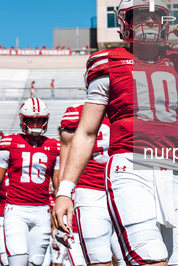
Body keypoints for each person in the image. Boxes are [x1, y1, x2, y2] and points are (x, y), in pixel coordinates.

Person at [53, 0, 178, 265]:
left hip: (174, 173)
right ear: (125, 21)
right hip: (130, 168)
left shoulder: (177, 61)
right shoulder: (107, 61)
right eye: (141, 15)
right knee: (151, 260)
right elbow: (87, 131)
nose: (150, 22)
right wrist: (65, 191)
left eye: (156, 16)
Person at [0, 97, 60, 266]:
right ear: (23, 119)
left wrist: (61, 217)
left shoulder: (54, 146)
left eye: (39, 120)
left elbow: (58, 186)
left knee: (37, 262)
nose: (35, 124)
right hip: (16, 210)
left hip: (42, 212)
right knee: (18, 261)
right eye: (31, 119)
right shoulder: (9, 143)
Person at [59, 103, 124, 266]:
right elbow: (65, 164)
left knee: (129, 258)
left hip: (123, 189)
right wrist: (63, 196)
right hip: (90, 191)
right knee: (99, 259)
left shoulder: (127, 107)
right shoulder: (76, 113)